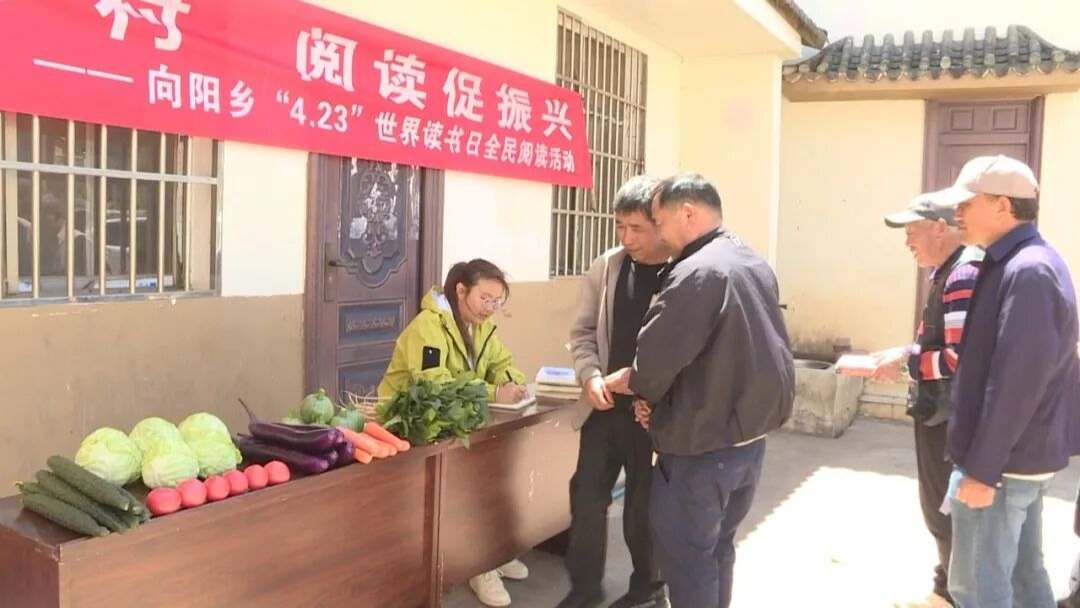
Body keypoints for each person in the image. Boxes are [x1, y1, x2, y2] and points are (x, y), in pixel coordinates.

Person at [606, 173, 795, 608]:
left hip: (702, 451)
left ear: (687, 214)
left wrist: (642, 391)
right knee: (717, 552)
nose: (658, 234)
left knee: (688, 563)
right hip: (747, 444)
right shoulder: (749, 261)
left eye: (658, 222)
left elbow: (657, 359)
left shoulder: (697, 272)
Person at [921, 155, 1080, 608]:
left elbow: (1017, 385)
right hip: (1015, 461)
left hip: (1004, 467)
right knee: (1024, 579)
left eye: (966, 204)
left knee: (977, 589)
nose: (957, 214)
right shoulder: (1015, 261)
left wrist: (982, 471)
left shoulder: (1028, 270)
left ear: (1003, 206)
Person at [378, 259, 529, 608]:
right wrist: (493, 393)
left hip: (455, 421)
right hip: (413, 426)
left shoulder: (481, 327)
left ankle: (493, 551)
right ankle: (479, 564)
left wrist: (512, 383)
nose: (490, 308)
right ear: (461, 290)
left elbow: (502, 362)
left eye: (497, 302)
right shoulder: (428, 327)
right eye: (485, 299)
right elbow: (435, 386)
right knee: (471, 481)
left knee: (498, 465)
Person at [560, 176, 670, 608]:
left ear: (660, 224)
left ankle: (648, 590)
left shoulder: (681, 272)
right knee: (586, 496)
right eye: (619, 226)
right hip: (603, 408)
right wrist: (589, 375)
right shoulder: (607, 266)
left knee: (644, 509)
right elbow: (583, 332)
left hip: (650, 414)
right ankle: (584, 590)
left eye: (636, 228)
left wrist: (655, 395)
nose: (626, 238)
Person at [872, 195, 983, 607]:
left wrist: (905, 365)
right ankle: (945, 590)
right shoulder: (949, 271)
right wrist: (903, 353)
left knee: (945, 512)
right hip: (940, 412)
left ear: (940, 227)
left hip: (948, 417)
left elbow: (958, 358)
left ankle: (951, 596)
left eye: (911, 231)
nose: (907, 242)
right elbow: (943, 343)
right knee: (941, 510)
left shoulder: (962, 274)